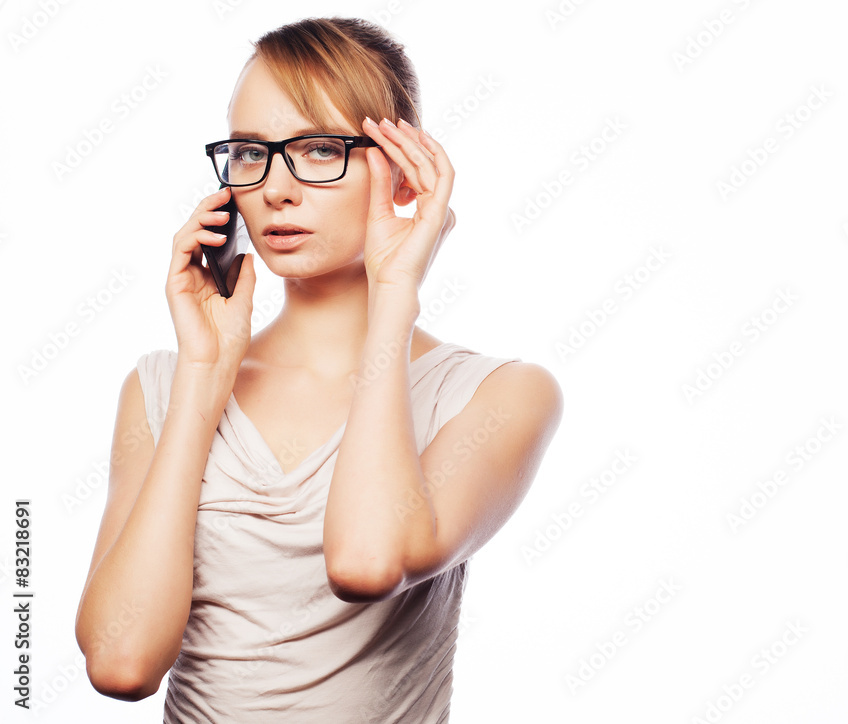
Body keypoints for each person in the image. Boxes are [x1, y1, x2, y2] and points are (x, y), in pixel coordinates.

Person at [74, 16, 563, 723]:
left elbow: (366, 563)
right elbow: (121, 665)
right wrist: (203, 381)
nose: (276, 189)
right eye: (250, 154)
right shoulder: (158, 388)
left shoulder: (500, 396)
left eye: (319, 149)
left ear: (403, 168)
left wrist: (396, 297)